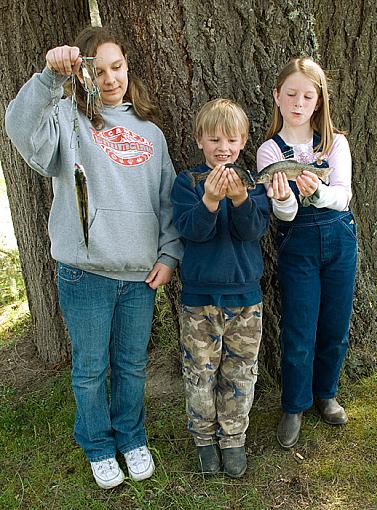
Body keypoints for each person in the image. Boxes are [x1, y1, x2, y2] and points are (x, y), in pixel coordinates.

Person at [5, 26, 182, 489]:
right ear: (81, 74)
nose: (109, 79)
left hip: (140, 275)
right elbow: (18, 129)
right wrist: (49, 77)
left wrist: (168, 253)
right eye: (97, 70)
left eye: (116, 67)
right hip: (85, 275)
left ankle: (130, 436)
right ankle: (99, 445)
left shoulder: (151, 133)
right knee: (90, 369)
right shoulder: (65, 120)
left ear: (127, 65)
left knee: (131, 364)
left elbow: (167, 201)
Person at [256, 57, 357, 448]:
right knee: (299, 330)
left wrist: (318, 191)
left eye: (307, 96)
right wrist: (285, 198)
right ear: (277, 97)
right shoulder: (269, 151)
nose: (298, 102)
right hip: (297, 243)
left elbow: (344, 196)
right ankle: (294, 404)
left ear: (319, 102)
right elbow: (285, 212)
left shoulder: (334, 142)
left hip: (339, 239)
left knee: (335, 324)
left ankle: (326, 393)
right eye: (291, 94)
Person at [171, 99, 270, 478]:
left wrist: (240, 198)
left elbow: (253, 230)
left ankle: (233, 438)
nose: (222, 147)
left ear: (243, 141)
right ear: (199, 140)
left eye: (231, 139)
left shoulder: (252, 182)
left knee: (240, 373)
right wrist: (210, 200)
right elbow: (191, 231)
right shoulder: (188, 182)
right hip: (199, 301)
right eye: (214, 139)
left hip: (246, 299)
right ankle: (203, 439)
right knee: (200, 373)